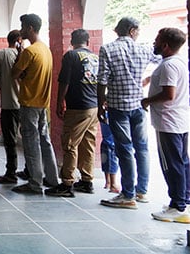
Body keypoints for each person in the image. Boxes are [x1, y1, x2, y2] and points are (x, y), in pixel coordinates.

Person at [98, 17, 160, 209]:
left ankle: (128, 194)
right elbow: (161, 59)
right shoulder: (143, 49)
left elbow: (102, 80)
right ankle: (141, 190)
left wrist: (101, 105)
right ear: (132, 30)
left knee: (124, 149)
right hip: (139, 106)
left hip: (117, 107)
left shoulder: (107, 49)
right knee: (141, 149)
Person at [141, 28, 190, 223]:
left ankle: (177, 205)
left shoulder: (169, 66)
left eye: (157, 40)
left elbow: (168, 95)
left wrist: (147, 101)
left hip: (168, 121)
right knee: (181, 161)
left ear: (166, 45)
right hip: (179, 119)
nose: (154, 43)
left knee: (171, 164)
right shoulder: (178, 62)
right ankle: (182, 199)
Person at [45, 29, 99, 197]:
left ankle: (67, 183)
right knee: (88, 144)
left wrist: (60, 101)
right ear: (88, 42)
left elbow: (64, 81)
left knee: (69, 144)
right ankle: (87, 181)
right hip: (93, 106)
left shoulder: (71, 56)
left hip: (78, 107)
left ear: (72, 41)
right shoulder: (95, 57)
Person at [11, 13, 58, 194]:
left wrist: (19, 55)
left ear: (30, 28)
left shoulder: (30, 51)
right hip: (43, 103)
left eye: (23, 27)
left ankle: (35, 183)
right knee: (45, 140)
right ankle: (52, 178)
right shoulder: (45, 49)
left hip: (30, 102)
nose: (21, 30)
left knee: (31, 143)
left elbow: (14, 73)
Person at [0, 30, 24, 184]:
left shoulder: (1, 54)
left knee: (10, 140)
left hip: (9, 103)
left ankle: (11, 172)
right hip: (26, 103)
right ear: (19, 40)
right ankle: (29, 170)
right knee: (29, 139)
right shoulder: (26, 54)